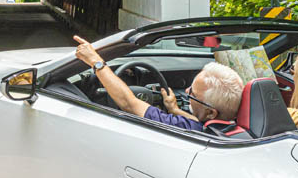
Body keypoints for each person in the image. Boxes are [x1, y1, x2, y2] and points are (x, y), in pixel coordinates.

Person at [73, 35, 244, 132]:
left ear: (211, 112)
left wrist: (96, 61)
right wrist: (175, 110)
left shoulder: (187, 129)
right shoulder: (237, 125)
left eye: (192, 92)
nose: (186, 90)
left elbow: (129, 104)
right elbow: (201, 124)